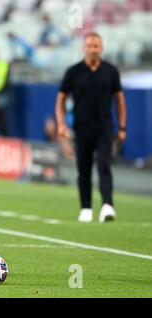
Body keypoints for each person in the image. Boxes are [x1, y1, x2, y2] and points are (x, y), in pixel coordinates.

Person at [55, 32, 127, 223]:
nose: (93, 49)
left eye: (96, 46)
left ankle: (107, 206)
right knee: (83, 168)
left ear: (101, 48)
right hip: (81, 128)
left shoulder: (111, 71)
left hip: (105, 127)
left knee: (104, 165)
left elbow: (119, 100)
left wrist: (122, 127)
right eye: (89, 45)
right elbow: (61, 98)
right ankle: (86, 208)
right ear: (83, 48)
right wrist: (61, 124)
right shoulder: (73, 72)